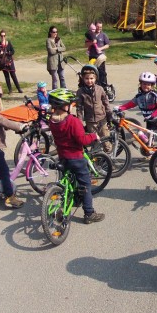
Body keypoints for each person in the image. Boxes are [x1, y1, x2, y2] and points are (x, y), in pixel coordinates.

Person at [47, 88, 105, 224]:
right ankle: (89, 213)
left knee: (67, 179)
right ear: (65, 106)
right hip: (76, 158)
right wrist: (93, 136)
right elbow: (82, 140)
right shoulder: (73, 121)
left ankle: (66, 198)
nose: (72, 106)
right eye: (70, 104)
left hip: (63, 157)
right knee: (86, 185)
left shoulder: (52, 120)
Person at [117, 71, 157, 148]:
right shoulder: (139, 96)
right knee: (149, 138)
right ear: (140, 84)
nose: (146, 86)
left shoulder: (154, 95)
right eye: (144, 84)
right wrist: (120, 108)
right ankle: (151, 150)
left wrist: (153, 115)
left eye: (148, 84)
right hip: (148, 120)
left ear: (152, 85)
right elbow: (130, 104)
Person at [76, 65, 112, 153]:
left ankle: (110, 159)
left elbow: (106, 102)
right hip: (90, 121)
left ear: (95, 78)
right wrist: (80, 122)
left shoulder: (100, 89)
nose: (89, 81)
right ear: (83, 79)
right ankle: (98, 159)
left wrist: (109, 114)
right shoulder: (80, 92)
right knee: (95, 142)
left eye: (92, 78)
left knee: (106, 140)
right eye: (87, 78)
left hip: (102, 119)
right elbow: (79, 108)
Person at [0, 30, 22, 94]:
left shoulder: (8, 43)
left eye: (4, 35)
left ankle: (19, 88)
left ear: (5, 36)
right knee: (7, 77)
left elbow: (13, 51)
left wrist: (8, 53)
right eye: (1, 36)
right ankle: (10, 90)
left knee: (13, 75)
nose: (3, 37)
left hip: (9, 61)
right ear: (0, 36)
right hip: (3, 63)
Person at [94, 21, 110, 86]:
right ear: (95, 26)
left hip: (101, 57)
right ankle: (94, 85)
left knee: (102, 72)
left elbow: (107, 45)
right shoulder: (91, 35)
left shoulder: (104, 35)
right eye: (98, 26)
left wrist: (100, 48)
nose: (99, 28)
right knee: (93, 71)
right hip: (92, 56)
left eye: (100, 27)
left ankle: (103, 85)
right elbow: (86, 45)